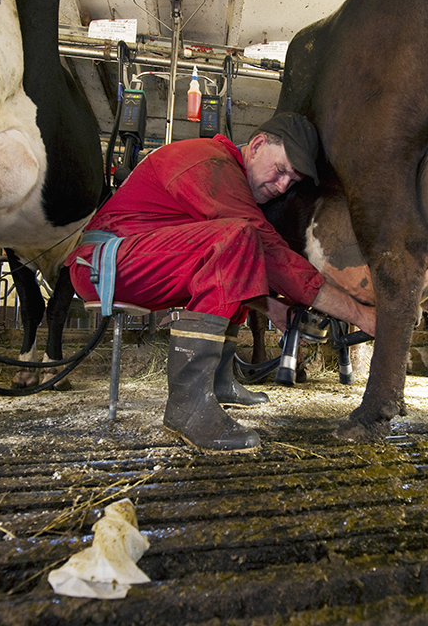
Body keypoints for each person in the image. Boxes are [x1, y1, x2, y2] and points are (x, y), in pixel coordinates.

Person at [67, 112, 375, 453]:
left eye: (293, 180)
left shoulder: (225, 172)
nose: (283, 185)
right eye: (281, 170)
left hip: (133, 260)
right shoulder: (210, 162)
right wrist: (360, 314)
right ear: (257, 145)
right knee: (239, 238)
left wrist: (272, 307)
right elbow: (271, 255)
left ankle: (218, 380)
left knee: (239, 249)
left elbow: (223, 269)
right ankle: (188, 407)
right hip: (104, 264)